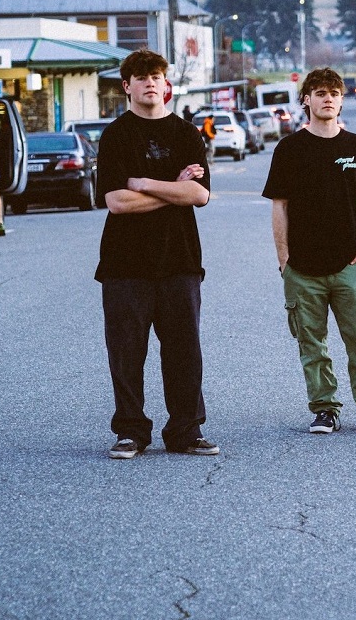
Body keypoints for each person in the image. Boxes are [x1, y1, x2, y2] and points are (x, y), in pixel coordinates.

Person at [262, 67, 356, 436]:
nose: (328, 98)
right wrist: (283, 258)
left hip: (348, 264)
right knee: (312, 343)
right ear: (306, 99)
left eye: (334, 93)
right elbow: (280, 205)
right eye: (320, 92)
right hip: (302, 267)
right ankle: (325, 408)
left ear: (341, 100)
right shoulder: (290, 148)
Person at [95, 49, 218, 459]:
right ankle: (130, 431)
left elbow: (199, 194)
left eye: (158, 76)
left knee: (185, 352)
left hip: (179, 261)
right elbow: (117, 202)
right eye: (142, 76)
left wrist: (144, 181)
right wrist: (173, 189)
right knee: (127, 353)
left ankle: (186, 430)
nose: (151, 82)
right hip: (124, 264)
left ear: (167, 85)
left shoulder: (186, 134)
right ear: (126, 85)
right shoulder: (116, 136)